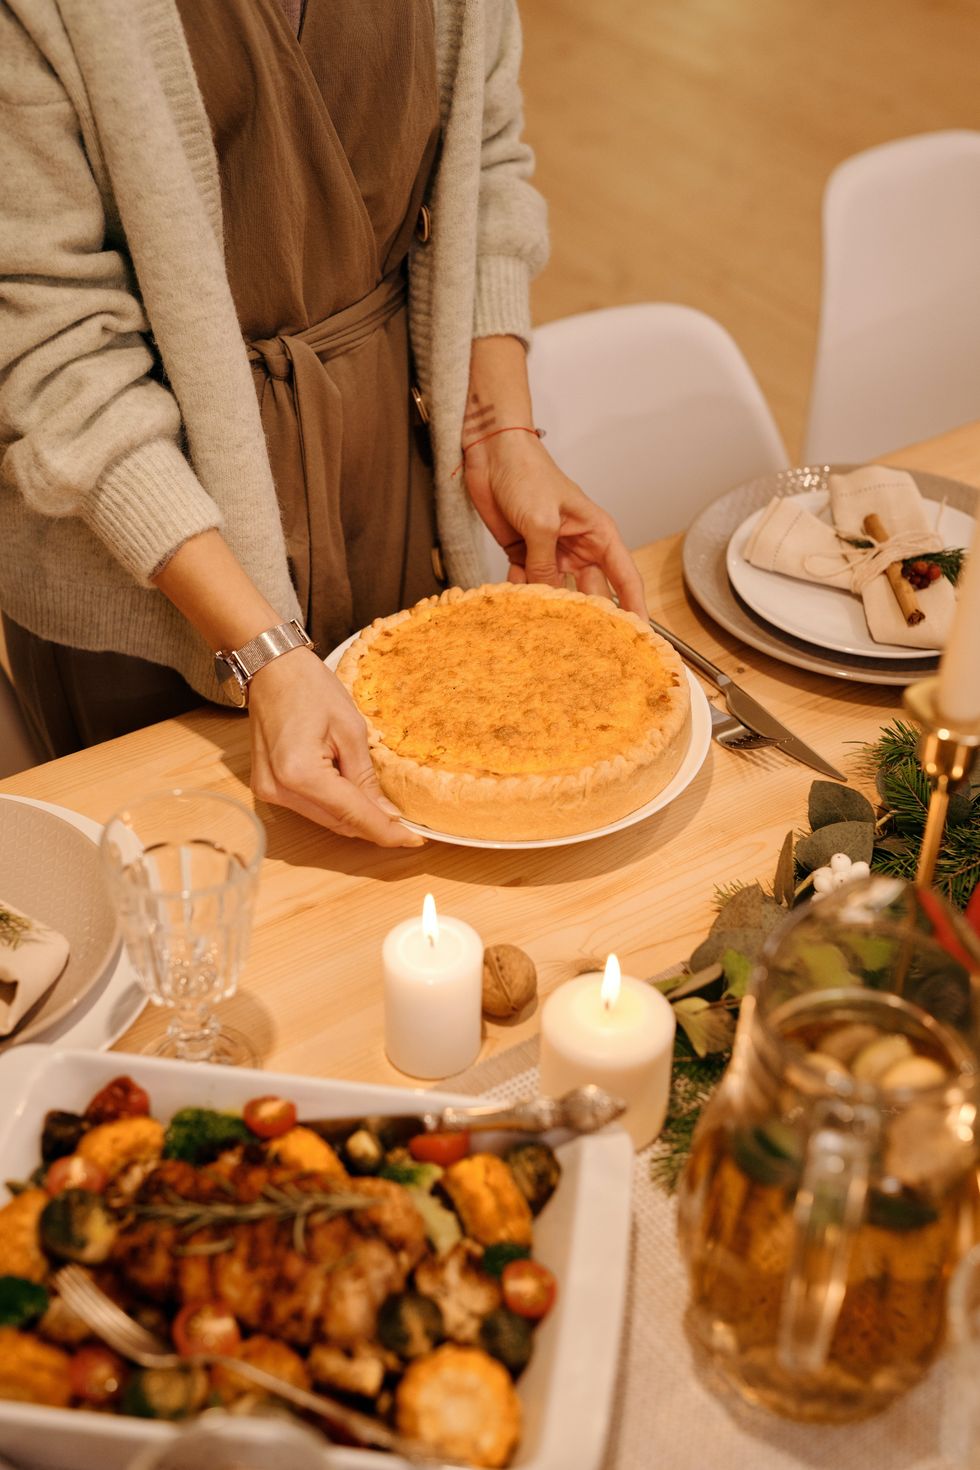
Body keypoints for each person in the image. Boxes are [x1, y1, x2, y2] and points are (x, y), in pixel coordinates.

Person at [0, 0, 647, 848]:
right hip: (143, 548)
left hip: (387, 473)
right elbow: (50, 339)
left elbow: (480, 162)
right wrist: (259, 647)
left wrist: (499, 435)